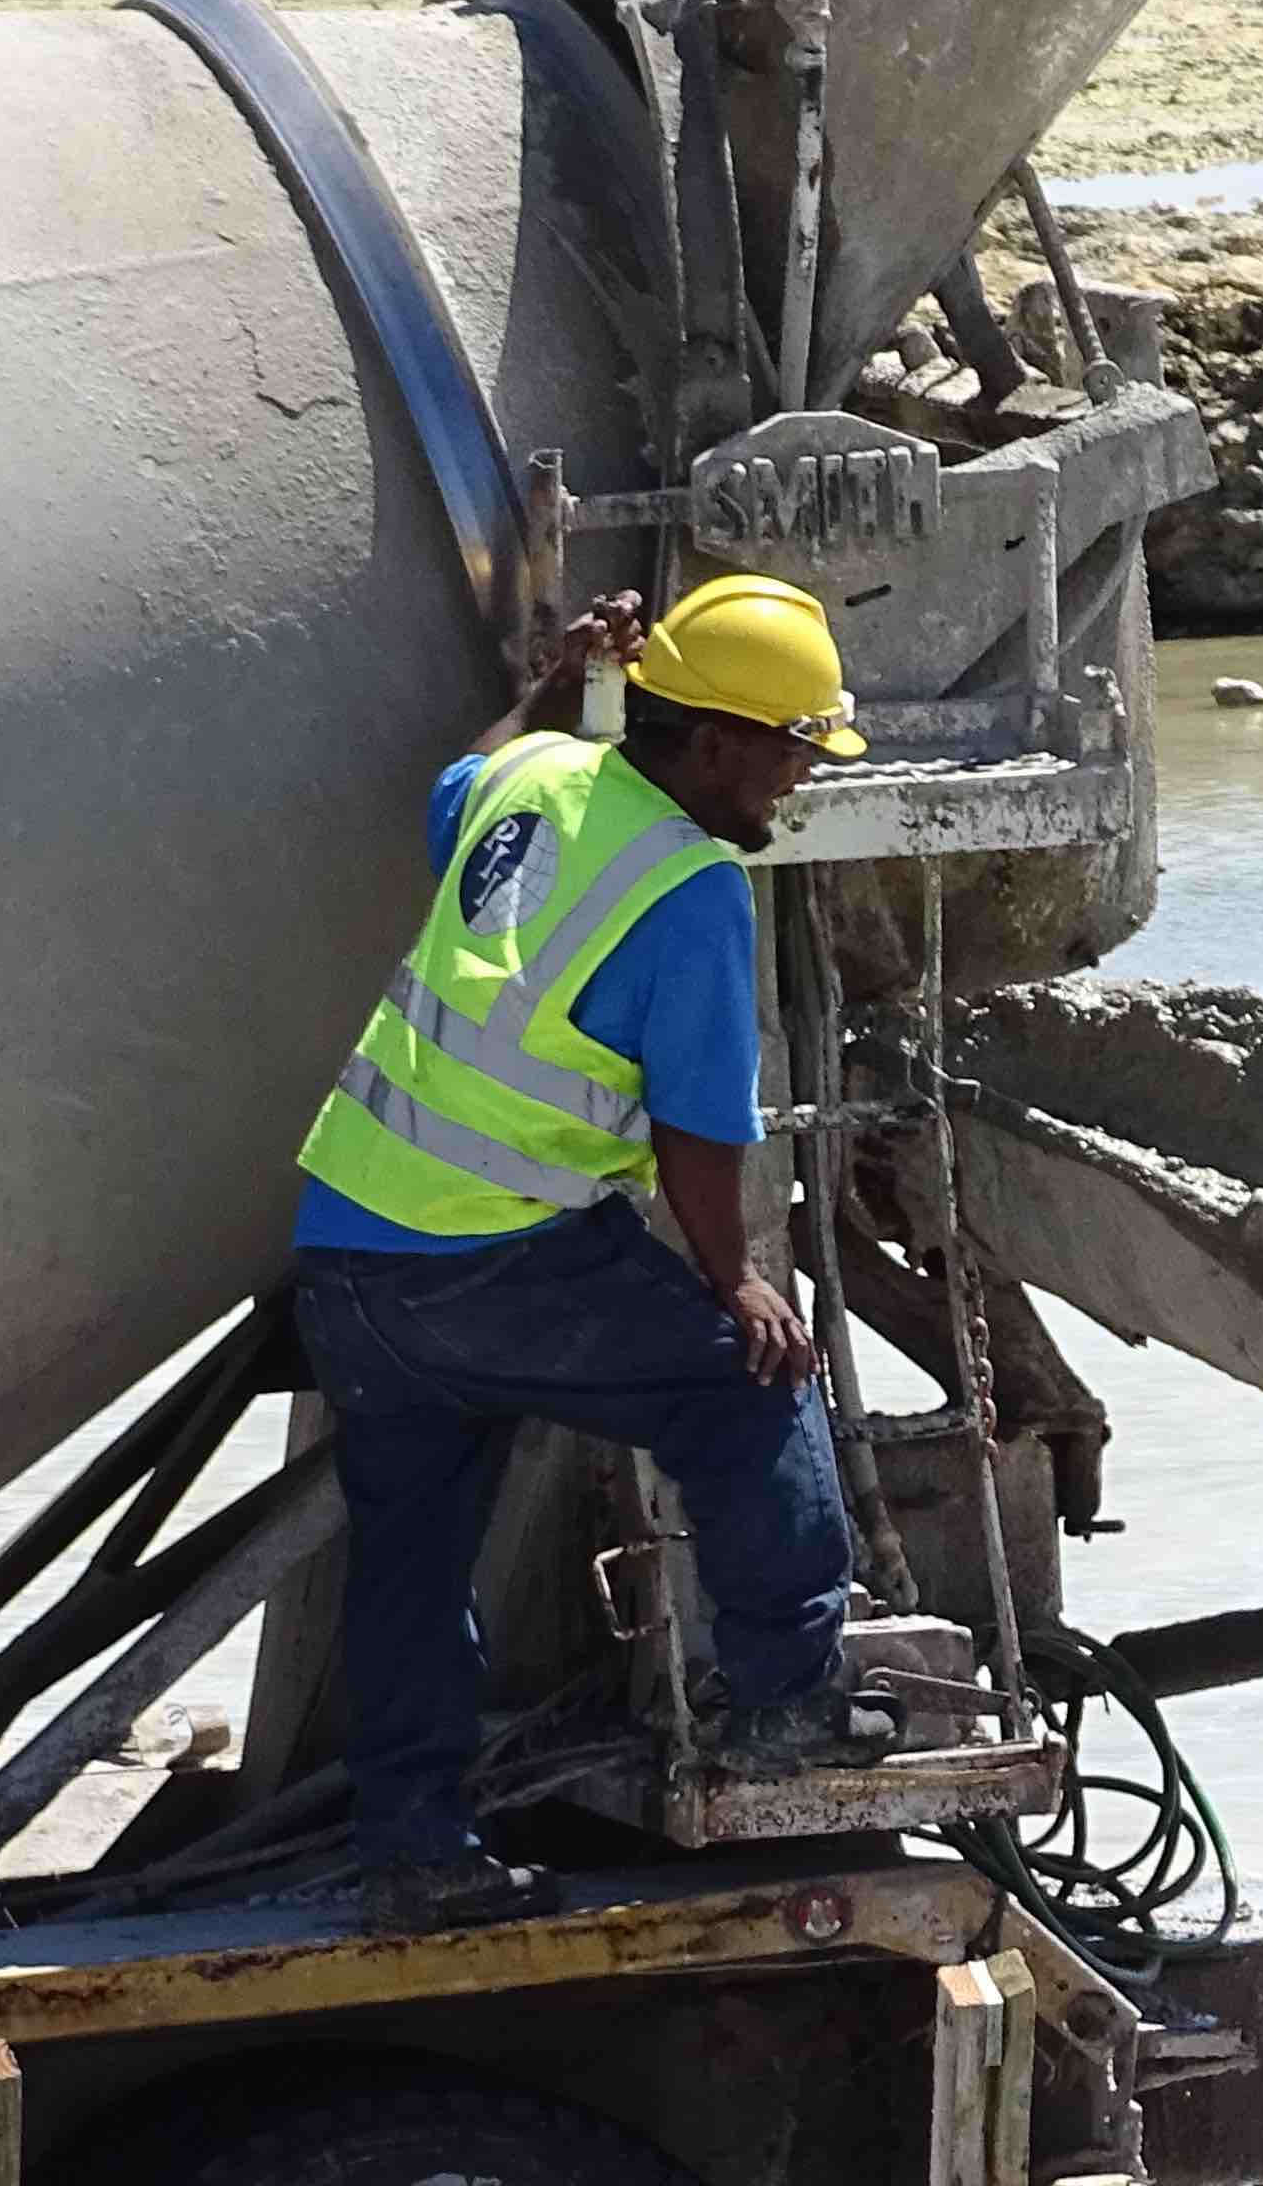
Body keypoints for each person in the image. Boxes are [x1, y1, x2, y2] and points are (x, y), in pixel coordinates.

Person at [288, 579, 896, 1903]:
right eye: (793, 746)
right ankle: (788, 1703)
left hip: (348, 1251)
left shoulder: (538, 781)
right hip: (495, 1262)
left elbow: (468, 774)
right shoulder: (691, 888)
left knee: (410, 1551)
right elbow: (697, 1130)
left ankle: (414, 1849)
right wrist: (738, 1284)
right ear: (717, 741)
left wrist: (556, 686)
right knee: (749, 1394)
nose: (798, 777)